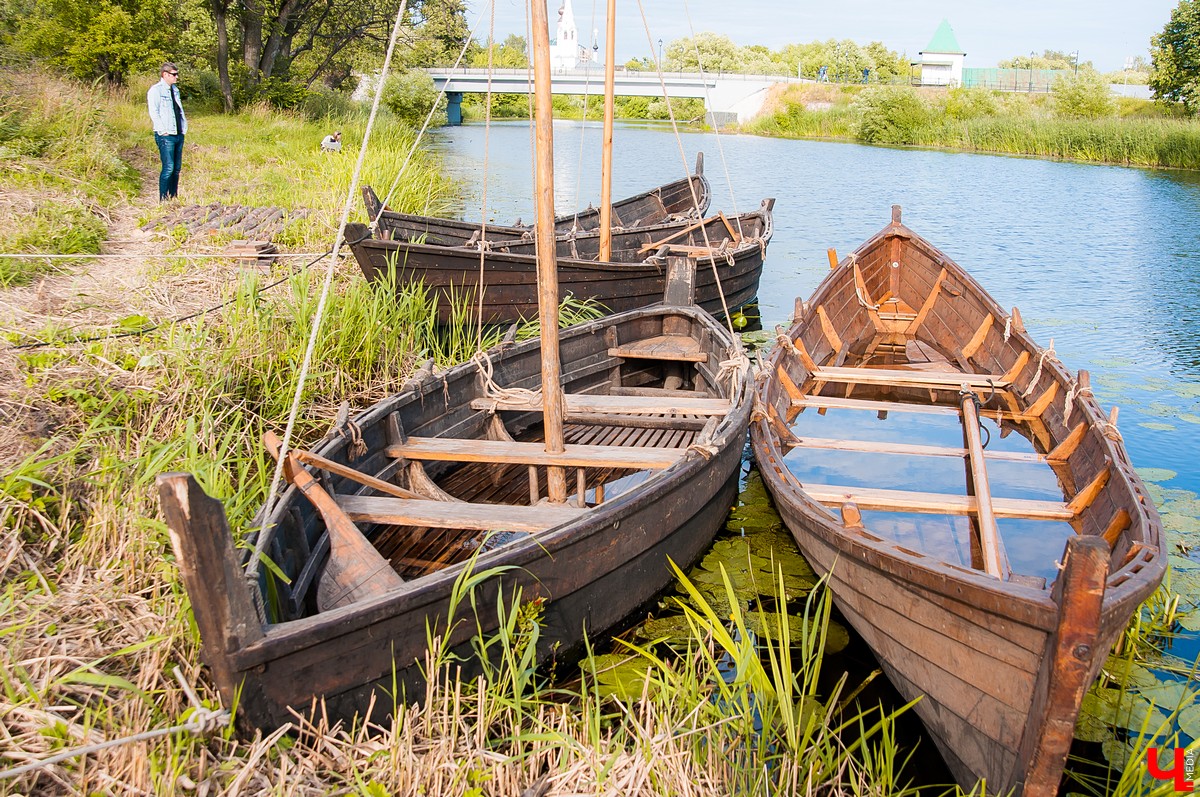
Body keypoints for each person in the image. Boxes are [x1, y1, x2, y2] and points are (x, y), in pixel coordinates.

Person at [147, 62, 187, 201]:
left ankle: (173, 197)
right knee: (168, 168)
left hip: (178, 133)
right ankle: (163, 199)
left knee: (176, 169)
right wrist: (162, 131)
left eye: (177, 74)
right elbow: (154, 112)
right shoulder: (156, 90)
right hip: (166, 135)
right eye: (174, 74)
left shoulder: (175, 90)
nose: (176, 77)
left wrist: (183, 130)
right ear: (165, 75)